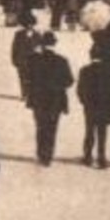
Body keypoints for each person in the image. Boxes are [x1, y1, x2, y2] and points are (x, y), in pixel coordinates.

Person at [25, 31, 73, 166]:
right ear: (55, 44)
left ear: (42, 44)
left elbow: (28, 78)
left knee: (40, 127)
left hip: (38, 99)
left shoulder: (33, 59)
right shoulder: (62, 61)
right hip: (56, 100)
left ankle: (41, 153)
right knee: (52, 128)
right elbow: (69, 81)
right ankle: (48, 156)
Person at [77, 45, 110, 169]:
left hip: (90, 106)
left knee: (89, 131)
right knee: (102, 133)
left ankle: (88, 156)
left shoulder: (84, 70)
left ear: (91, 56)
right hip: (104, 106)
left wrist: (84, 101)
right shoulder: (109, 71)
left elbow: (80, 90)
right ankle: (102, 158)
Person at [10, 11, 39, 100]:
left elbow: (40, 48)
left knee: (32, 78)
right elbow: (14, 47)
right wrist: (14, 59)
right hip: (21, 60)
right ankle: (24, 94)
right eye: (27, 24)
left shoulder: (37, 35)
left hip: (34, 60)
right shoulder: (19, 34)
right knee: (22, 77)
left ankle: (30, 93)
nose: (29, 26)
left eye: (31, 24)